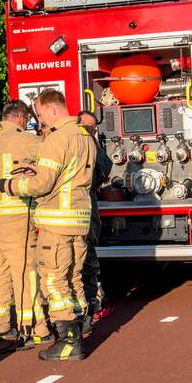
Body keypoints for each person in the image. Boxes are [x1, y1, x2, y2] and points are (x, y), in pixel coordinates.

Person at [0, 89, 95, 361]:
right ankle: (80, 327)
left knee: (53, 279)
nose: (39, 121)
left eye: (39, 114)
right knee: (73, 277)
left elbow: (42, 184)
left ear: (52, 110)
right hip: (79, 220)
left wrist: (10, 185)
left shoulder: (56, 139)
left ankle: (68, 341)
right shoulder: (84, 136)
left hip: (56, 221)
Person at [0, 99, 49, 344]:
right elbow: (52, 153)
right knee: (25, 271)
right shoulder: (24, 139)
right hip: (16, 215)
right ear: (20, 118)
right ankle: (32, 327)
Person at [77, 109, 112, 325]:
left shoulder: (92, 147)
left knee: (88, 262)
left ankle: (90, 309)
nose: (89, 130)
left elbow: (104, 168)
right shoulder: (70, 144)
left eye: (92, 127)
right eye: (85, 126)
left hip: (85, 214)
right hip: (71, 216)